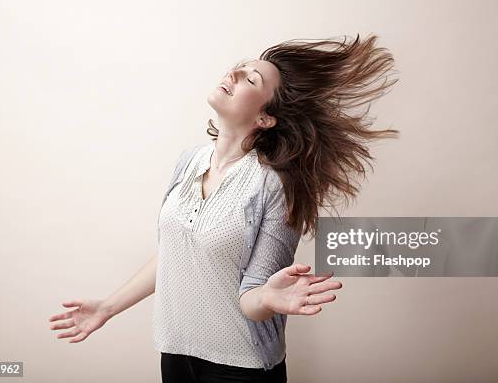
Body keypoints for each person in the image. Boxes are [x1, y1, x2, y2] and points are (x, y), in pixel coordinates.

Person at [48, 33, 399, 382]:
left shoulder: (273, 185)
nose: (232, 74)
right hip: (174, 352)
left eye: (250, 78)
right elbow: (175, 252)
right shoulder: (189, 161)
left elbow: (252, 299)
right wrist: (107, 308)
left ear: (266, 118)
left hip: (239, 367)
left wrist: (268, 296)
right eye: (238, 68)